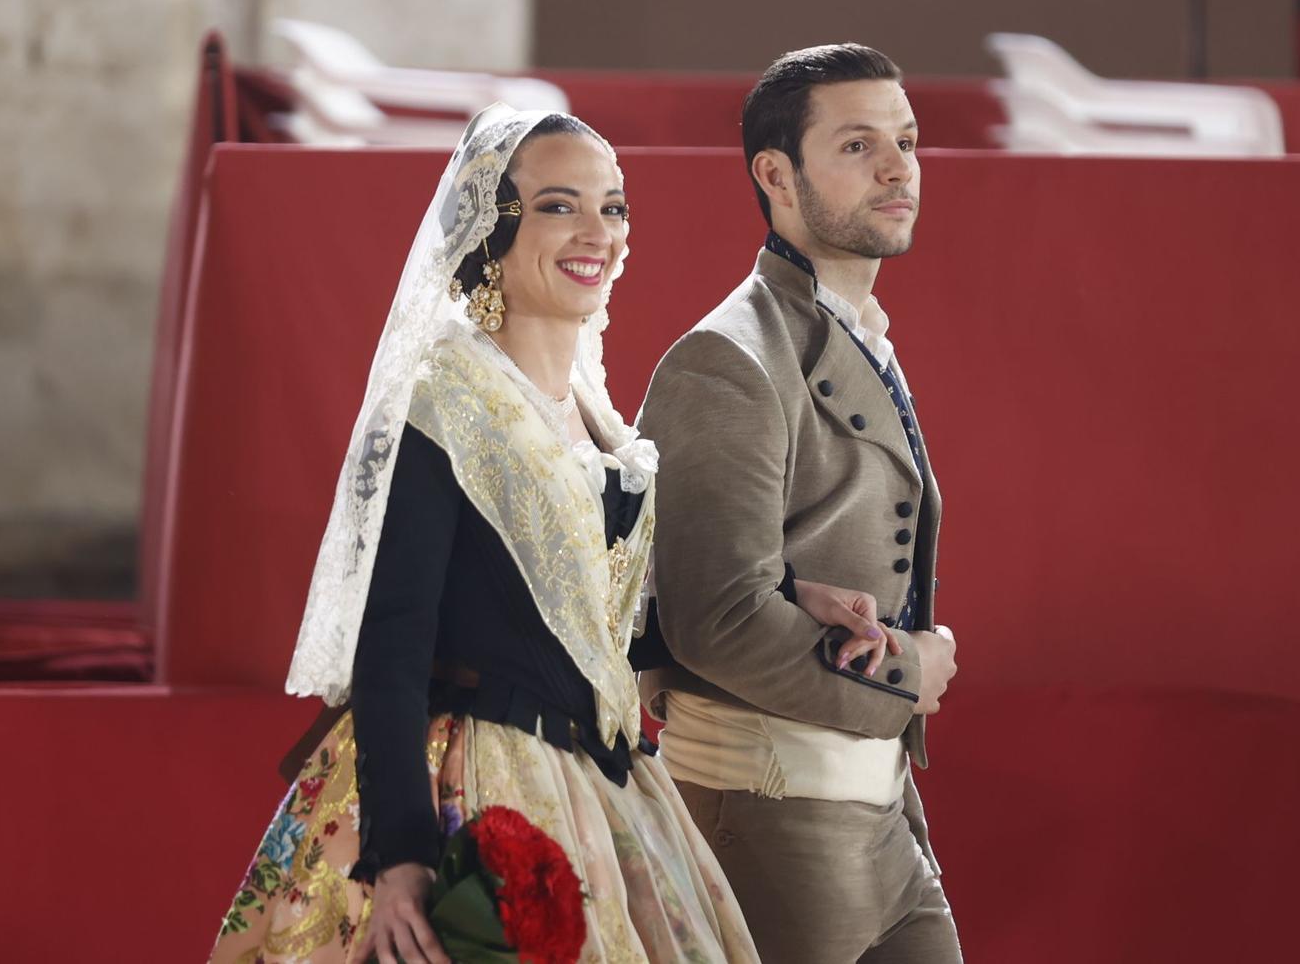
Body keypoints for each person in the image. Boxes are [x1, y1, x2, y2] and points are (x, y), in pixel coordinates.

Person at [209, 108, 886, 963]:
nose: (596, 232)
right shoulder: (447, 399)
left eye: (614, 206)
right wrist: (404, 859)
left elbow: (597, 621)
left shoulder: (599, 418)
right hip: (482, 784)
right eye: (560, 206)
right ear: (495, 227)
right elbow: (391, 651)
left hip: (611, 787)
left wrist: (790, 595)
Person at [638, 44, 963, 962]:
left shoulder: (853, 331)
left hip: (880, 806)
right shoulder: (726, 358)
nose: (900, 167)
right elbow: (718, 619)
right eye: (859, 146)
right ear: (775, 175)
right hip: (770, 808)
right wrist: (909, 673)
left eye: (905, 140)